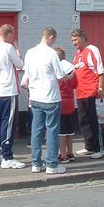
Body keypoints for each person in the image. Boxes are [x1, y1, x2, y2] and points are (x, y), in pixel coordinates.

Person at [22, 28, 68, 174]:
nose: (54, 42)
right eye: (54, 39)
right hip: (51, 97)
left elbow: (26, 75)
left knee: (36, 130)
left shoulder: (30, 52)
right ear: (51, 37)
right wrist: (70, 76)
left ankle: (36, 163)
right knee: (52, 131)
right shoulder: (52, 53)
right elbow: (60, 76)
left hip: (35, 96)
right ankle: (51, 165)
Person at [0, 24, 26, 169]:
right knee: (8, 123)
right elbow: (20, 64)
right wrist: (18, 50)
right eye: (12, 35)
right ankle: (7, 156)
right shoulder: (9, 48)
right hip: (8, 90)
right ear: (8, 34)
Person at [70, 28, 104, 159]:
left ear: (82, 38)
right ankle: (89, 146)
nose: (74, 43)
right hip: (81, 93)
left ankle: (100, 148)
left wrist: (101, 89)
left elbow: (100, 71)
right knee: (83, 121)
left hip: (92, 92)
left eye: (75, 40)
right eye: (72, 40)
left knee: (94, 121)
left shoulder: (92, 50)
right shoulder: (77, 55)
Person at [55, 47, 78, 162]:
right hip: (70, 101)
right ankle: (70, 153)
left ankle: (62, 155)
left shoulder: (57, 68)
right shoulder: (71, 68)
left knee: (61, 132)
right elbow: (75, 85)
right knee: (70, 130)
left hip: (60, 101)